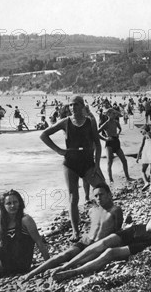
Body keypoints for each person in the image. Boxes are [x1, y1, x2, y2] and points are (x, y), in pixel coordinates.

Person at [51, 178, 151, 281]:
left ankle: (73, 272)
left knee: (110, 253)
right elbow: (150, 225)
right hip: (139, 229)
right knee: (105, 242)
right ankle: (66, 265)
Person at [22, 184, 123, 281]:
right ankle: (32, 273)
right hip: (85, 241)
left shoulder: (115, 210)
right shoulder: (92, 210)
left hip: (98, 245)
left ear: (109, 194)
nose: (98, 198)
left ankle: (62, 269)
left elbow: (117, 231)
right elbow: (93, 226)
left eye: (101, 194)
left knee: (80, 261)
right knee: (64, 255)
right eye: (96, 195)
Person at [40, 95, 104, 242]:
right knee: (73, 197)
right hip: (71, 163)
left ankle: (105, 222)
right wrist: (59, 150)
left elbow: (98, 144)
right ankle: (76, 232)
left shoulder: (90, 122)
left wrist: (98, 165)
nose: (72, 107)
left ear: (82, 106)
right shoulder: (65, 122)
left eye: (76, 104)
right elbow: (44, 135)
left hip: (88, 162)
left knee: (102, 189)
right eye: (70, 105)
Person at [98, 108, 131, 183]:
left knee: (124, 160)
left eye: (114, 113)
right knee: (110, 162)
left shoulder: (116, 122)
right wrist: (105, 138)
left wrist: (118, 134)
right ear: (108, 114)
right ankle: (111, 180)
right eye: (112, 113)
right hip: (109, 143)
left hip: (116, 142)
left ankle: (127, 177)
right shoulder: (106, 123)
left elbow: (120, 129)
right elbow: (96, 132)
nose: (114, 115)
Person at [136, 124, 151, 191]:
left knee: (143, 171)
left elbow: (141, 147)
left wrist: (138, 156)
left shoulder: (145, 136)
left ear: (144, 130)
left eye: (141, 131)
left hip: (146, 155)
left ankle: (146, 182)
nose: (141, 133)